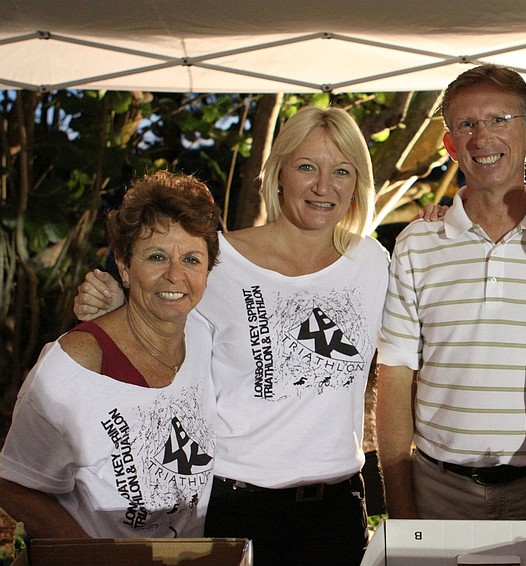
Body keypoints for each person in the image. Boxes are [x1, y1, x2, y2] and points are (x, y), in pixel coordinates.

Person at [73, 106, 389, 565]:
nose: (324, 186)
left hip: (336, 509)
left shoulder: (373, 263)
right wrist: (114, 309)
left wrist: (439, 220)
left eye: (341, 171)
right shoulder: (219, 259)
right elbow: (159, 336)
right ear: (278, 173)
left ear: (358, 182)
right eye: (307, 167)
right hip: (236, 503)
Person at [376, 64, 526, 521]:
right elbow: (396, 379)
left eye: (499, 120)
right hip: (438, 491)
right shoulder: (417, 244)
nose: (482, 137)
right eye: (466, 124)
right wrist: (401, 511)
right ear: (450, 145)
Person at [0, 171, 220, 539]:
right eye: (157, 256)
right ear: (124, 266)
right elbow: (15, 485)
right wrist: (93, 555)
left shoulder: (204, 335)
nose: (175, 275)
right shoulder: (76, 364)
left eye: (192, 260)